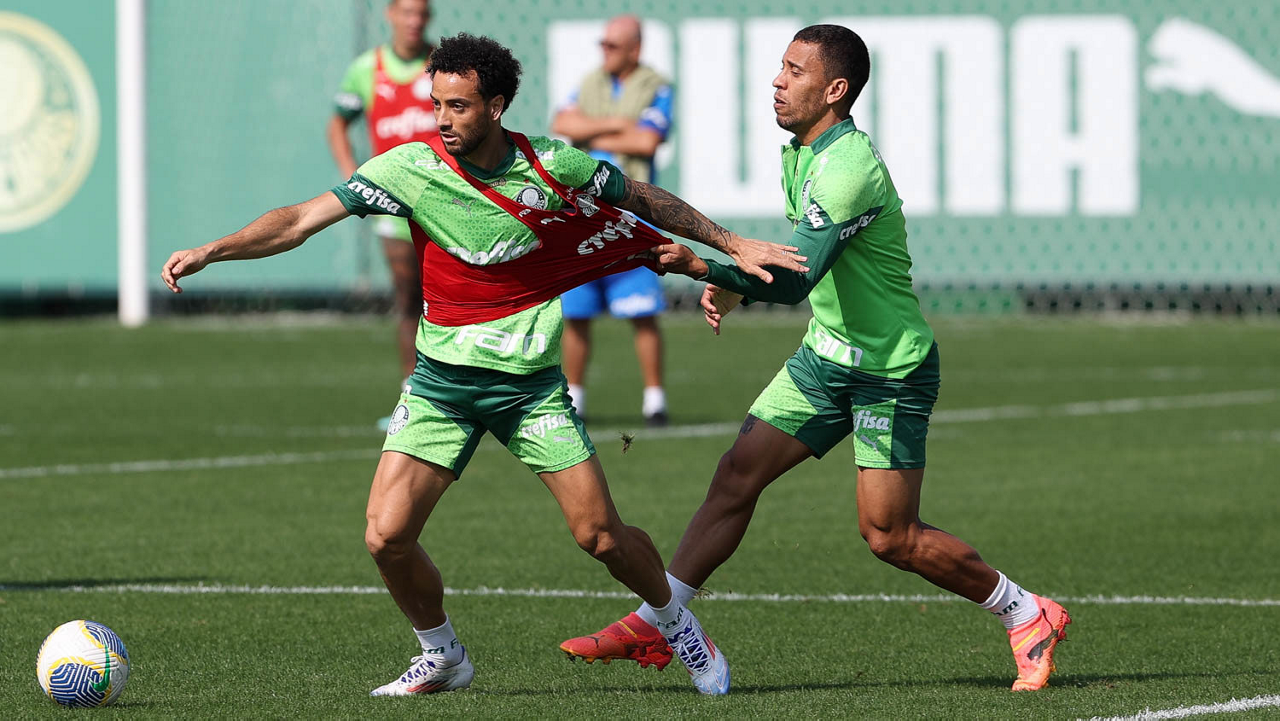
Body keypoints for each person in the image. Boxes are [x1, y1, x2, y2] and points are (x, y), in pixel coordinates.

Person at [162, 33, 806, 697]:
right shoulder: (409, 167)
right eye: (437, 104)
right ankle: (442, 655)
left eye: (459, 106)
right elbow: (300, 220)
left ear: (495, 107)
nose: (442, 119)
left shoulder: (551, 164)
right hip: (441, 387)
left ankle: (677, 626)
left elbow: (640, 197)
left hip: (529, 391)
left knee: (600, 537)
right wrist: (215, 249)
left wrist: (730, 242)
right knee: (386, 536)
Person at [560, 24, 1072, 693]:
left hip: (889, 369)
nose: (777, 80)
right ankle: (664, 619)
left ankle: (1026, 611)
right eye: (780, 66)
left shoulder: (849, 168)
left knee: (889, 535)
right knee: (737, 474)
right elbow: (800, 256)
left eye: (795, 71)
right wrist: (741, 281)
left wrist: (701, 264)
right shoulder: (802, 153)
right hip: (824, 358)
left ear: (835, 90)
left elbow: (795, 279)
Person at [551, 15, 674, 425]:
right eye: (602, 44)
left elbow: (647, 140)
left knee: (642, 313)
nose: (604, 51)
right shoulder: (591, 83)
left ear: (635, 49)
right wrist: (620, 123)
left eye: (613, 45)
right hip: (584, 215)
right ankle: (576, 399)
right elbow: (562, 123)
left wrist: (589, 134)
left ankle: (654, 400)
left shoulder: (656, 86)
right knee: (577, 313)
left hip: (632, 216)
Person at [327, 0, 436, 426]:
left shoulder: (442, 65)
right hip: (393, 205)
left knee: (450, 299)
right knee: (410, 296)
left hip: (445, 201)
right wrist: (353, 177)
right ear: (391, 14)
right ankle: (413, 396)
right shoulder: (366, 69)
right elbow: (338, 123)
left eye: (422, 13)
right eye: (407, 12)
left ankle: (460, 395)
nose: (414, 21)